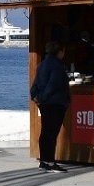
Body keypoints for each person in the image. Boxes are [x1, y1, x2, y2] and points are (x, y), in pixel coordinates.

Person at [30, 40, 71, 173]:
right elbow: (52, 86)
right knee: (52, 134)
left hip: (45, 104)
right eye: (63, 51)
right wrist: (42, 98)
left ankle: (44, 161)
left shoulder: (42, 65)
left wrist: (35, 96)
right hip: (55, 103)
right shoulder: (57, 66)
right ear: (59, 52)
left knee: (45, 133)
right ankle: (51, 162)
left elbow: (35, 84)